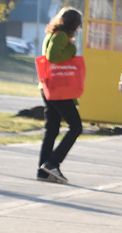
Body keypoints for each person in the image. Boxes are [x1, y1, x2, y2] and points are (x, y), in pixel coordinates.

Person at [37, 7, 83, 184]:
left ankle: (43, 170)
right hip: (58, 89)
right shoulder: (62, 36)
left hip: (47, 87)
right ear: (73, 25)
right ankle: (52, 163)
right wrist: (71, 50)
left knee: (52, 129)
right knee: (76, 127)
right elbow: (53, 56)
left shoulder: (51, 33)